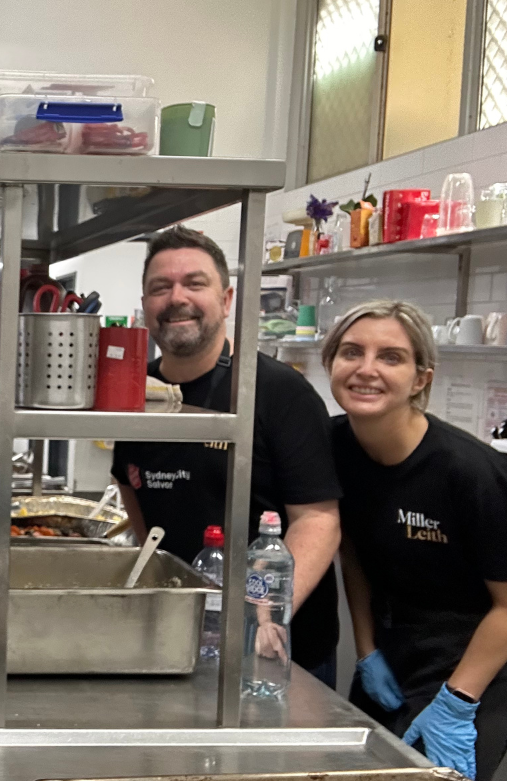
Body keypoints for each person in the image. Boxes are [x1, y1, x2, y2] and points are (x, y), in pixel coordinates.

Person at [111, 226, 343, 686]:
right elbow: (129, 480)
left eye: (195, 284)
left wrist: (259, 620)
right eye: (161, 287)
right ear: (146, 303)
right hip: (179, 638)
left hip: (278, 652)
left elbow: (319, 522)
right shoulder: (137, 388)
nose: (177, 298)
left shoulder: (278, 392)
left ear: (227, 299)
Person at [323, 300, 507, 781]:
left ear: (422, 379)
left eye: (391, 357)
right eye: (351, 352)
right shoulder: (333, 447)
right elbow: (352, 550)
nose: (367, 370)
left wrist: (458, 700)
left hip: (470, 659)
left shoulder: (471, 472)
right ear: (331, 363)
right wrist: (366, 650)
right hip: (391, 650)